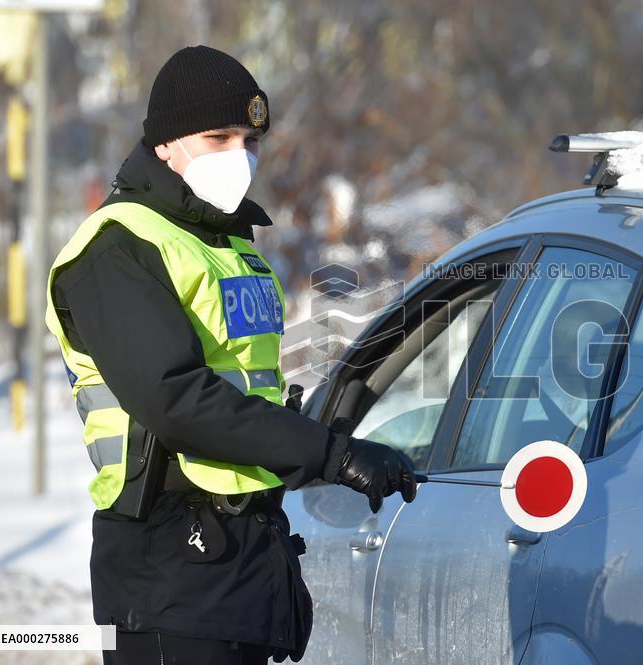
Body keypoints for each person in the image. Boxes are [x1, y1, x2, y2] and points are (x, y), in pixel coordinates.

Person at [44, 45, 418, 665]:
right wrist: (330, 455)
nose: (238, 155)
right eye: (218, 136)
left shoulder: (227, 247)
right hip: (166, 569)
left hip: (241, 559)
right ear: (165, 143)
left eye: (249, 140)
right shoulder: (116, 250)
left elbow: (253, 391)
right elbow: (180, 401)